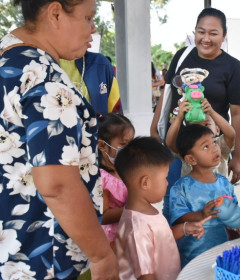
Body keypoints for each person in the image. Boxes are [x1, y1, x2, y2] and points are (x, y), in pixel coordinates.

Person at [0, 0, 118, 279]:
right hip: (39, 256)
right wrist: (101, 255)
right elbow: (57, 185)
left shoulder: (8, 58)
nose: (93, 30)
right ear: (55, 13)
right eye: (88, 18)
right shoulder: (45, 79)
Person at [150, 7, 240, 185]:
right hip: (176, 145)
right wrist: (154, 129)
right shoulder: (182, 55)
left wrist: (238, 157)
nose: (206, 39)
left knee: (210, 203)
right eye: (201, 32)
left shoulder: (233, 67)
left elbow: (238, 114)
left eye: (213, 33)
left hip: (208, 148)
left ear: (224, 35)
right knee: (175, 200)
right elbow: (167, 92)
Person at [114, 137, 211, 280]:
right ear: (145, 182)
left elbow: (161, 238)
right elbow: (145, 275)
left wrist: (185, 228)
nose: (167, 183)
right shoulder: (137, 229)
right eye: (165, 178)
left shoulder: (149, 209)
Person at [169, 124, 240, 267]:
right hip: (194, 254)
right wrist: (200, 214)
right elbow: (178, 218)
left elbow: (234, 210)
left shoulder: (224, 183)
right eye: (206, 147)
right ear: (191, 159)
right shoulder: (181, 188)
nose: (215, 148)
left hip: (222, 250)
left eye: (214, 142)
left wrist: (235, 223)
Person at [166, 98, 235, 177]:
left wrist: (211, 112)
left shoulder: (219, 146)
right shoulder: (188, 147)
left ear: (217, 130)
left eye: (207, 125)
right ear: (190, 159)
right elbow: (170, 143)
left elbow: (231, 135)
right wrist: (179, 118)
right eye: (197, 126)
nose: (202, 130)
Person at [98, 113, 135, 251]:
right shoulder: (102, 179)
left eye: (131, 143)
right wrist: (134, 208)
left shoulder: (126, 169)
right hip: (112, 240)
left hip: (129, 232)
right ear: (102, 145)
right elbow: (104, 216)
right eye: (123, 144)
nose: (129, 149)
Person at [60, 50, 122, 115]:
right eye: (82, 38)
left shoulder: (101, 65)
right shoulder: (50, 65)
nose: (90, 40)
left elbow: (116, 115)